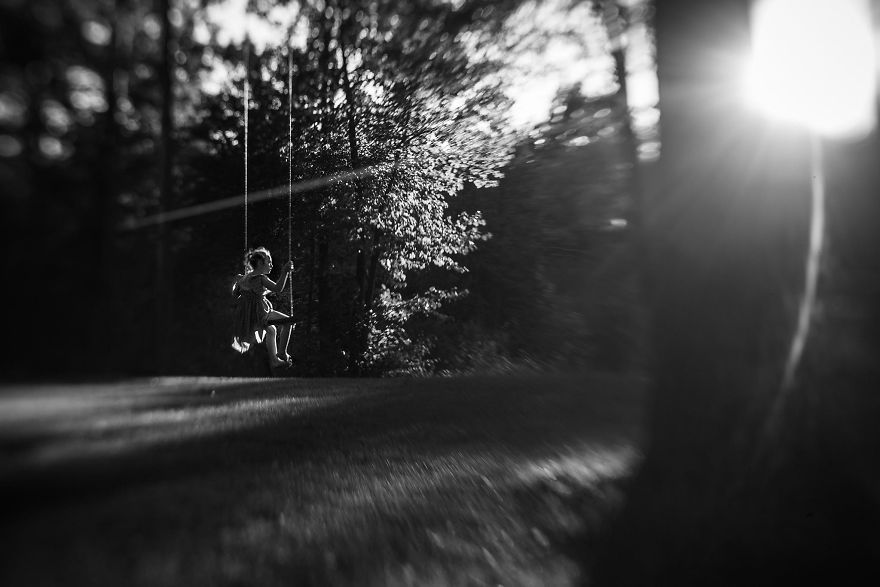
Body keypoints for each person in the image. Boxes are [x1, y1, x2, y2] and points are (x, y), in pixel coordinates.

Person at [231, 247, 295, 368]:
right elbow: (278, 288)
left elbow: (235, 294)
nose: (272, 265)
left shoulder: (242, 278)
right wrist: (285, 272)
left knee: (272, 330)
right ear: (260, 263)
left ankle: (274, 361)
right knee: (288, 322)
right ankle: (282, 352)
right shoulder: (261, 278)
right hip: (260, 312)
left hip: (247, 317)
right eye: (269, 262)